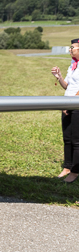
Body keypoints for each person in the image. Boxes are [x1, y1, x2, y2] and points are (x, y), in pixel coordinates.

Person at [51, 38, 79, 183]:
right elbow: (67, 86)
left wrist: (71, 103)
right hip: (69, 103)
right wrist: (59, 77)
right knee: (67, 138)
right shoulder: (73, 65)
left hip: (76, 105)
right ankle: (67, 167)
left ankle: (75, 171)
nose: (70, 50)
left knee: (76, 140)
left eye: (72, 47)